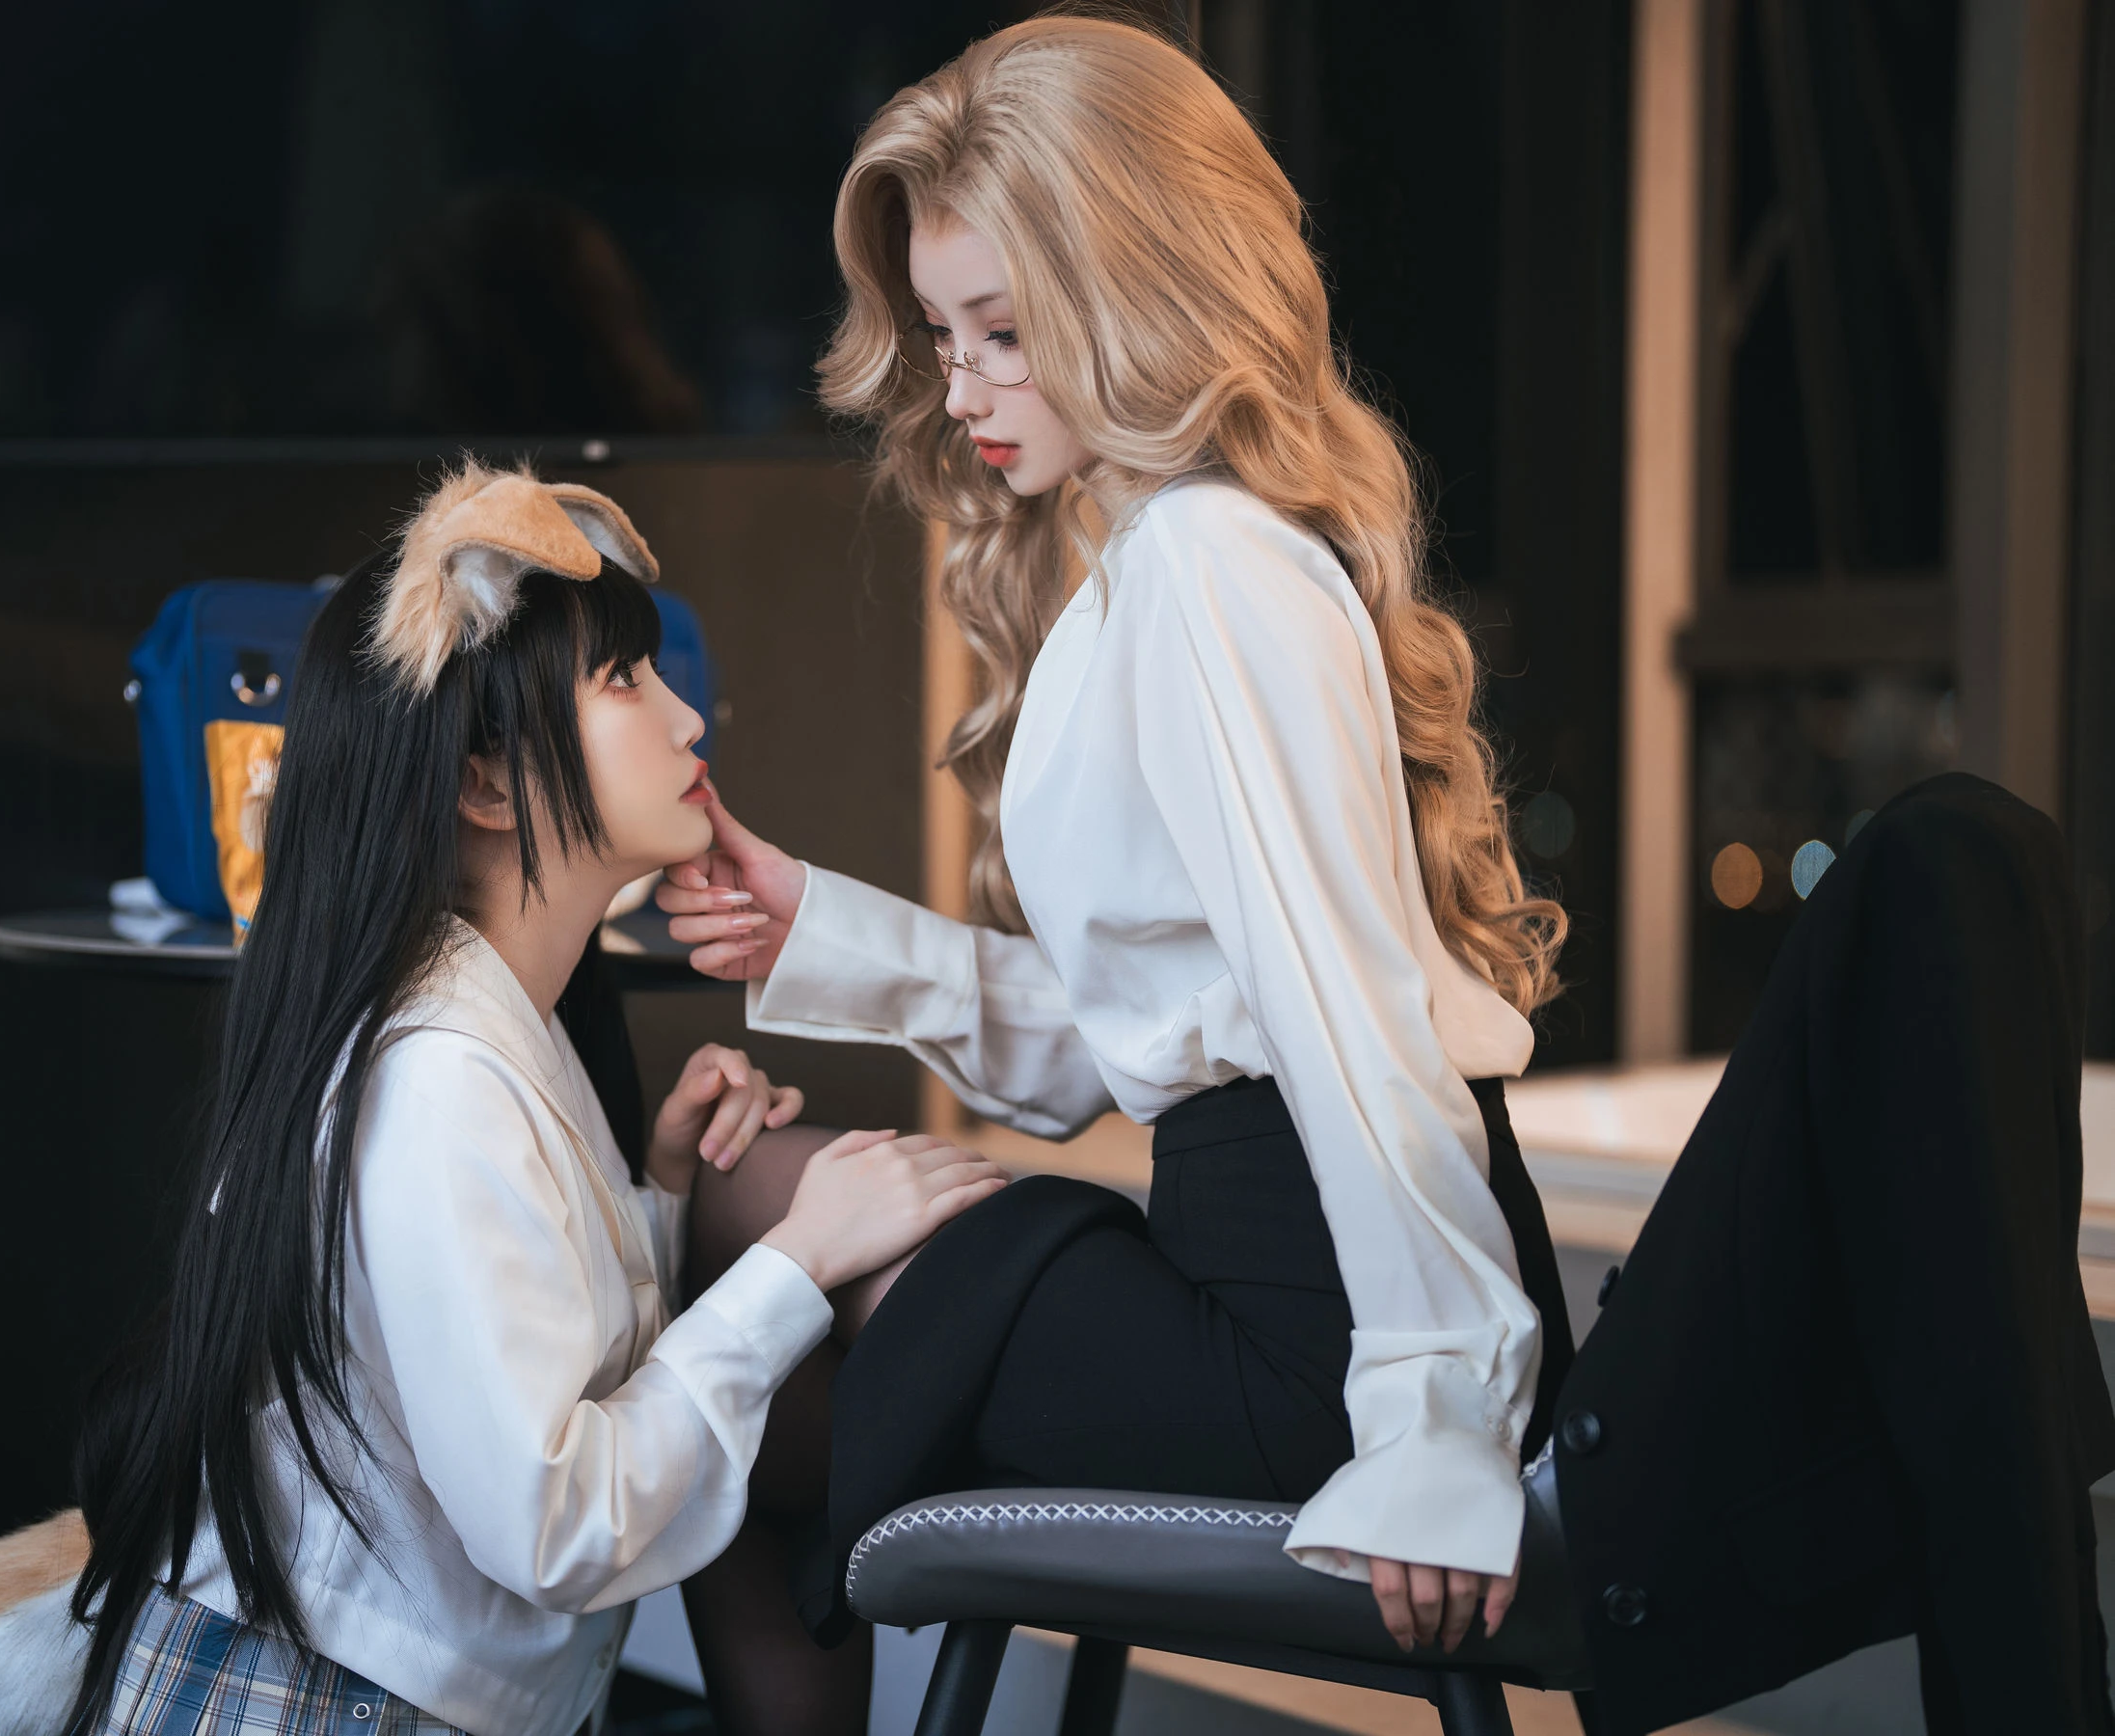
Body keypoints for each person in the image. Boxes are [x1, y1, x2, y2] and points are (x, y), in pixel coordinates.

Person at [662, 17, 2115, 1735]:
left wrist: (1435, 1413)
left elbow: (1341, 1016)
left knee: (737, 1283)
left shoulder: (1204, 565)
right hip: (1278, 1289)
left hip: (1310, 1343)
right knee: (757, 1314)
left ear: (1132, 292)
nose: (960, 387)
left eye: (1000, 331)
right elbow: (1178, 1033)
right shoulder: (1161, 562)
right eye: (939, 336)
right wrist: (817, 928)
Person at [58, 463, 1008, 1736]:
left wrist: (657, 1194)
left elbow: (526, 1352)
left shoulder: (496, 1024)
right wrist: (797, 1261)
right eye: (624, 680)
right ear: (489, 784)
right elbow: (553, 1524)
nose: (688, 719)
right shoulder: (438, 1077)